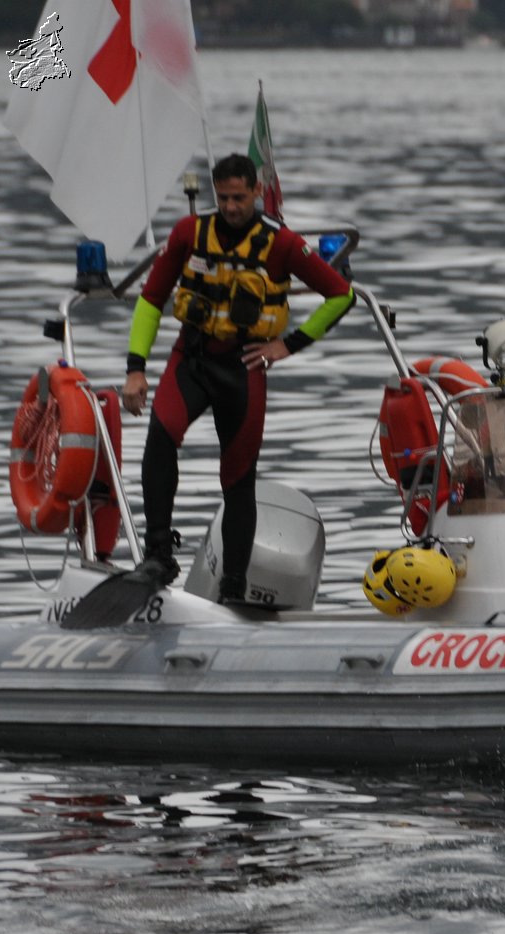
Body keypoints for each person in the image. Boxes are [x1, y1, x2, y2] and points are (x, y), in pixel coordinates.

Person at [122, 153, 353, 601]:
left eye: (239, 198)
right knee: (160, 437)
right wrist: (135, 369)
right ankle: (158, 555)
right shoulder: (190, 233)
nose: (230, 207)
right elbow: (151, 299)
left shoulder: (282, 243)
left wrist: (289, 344)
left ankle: (232, 585)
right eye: (223, 198)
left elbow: (340, 296)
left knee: (238, 477)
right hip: (191, 359)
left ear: (255, 193)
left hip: (243, 369)